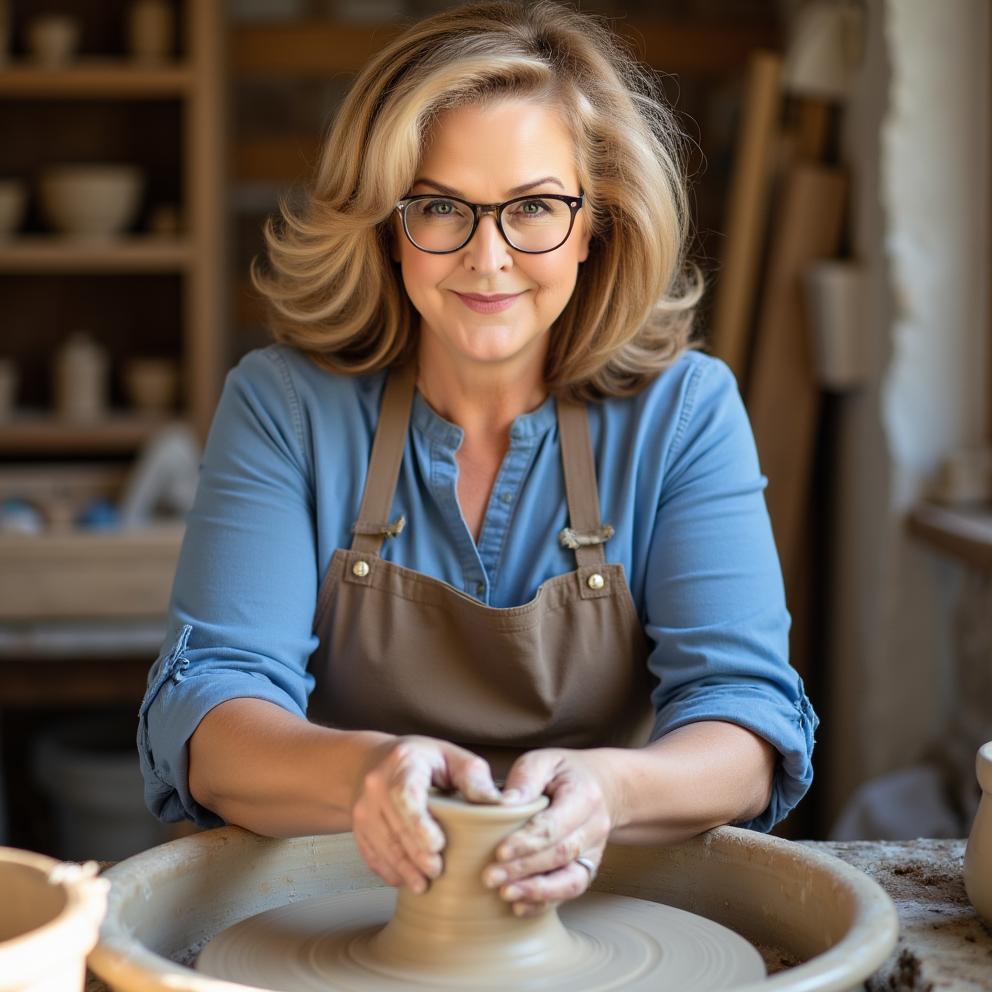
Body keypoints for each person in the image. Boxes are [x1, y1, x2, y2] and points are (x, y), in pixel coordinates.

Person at [138, 0, 818, 919]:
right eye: (441, 208)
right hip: (340, 906)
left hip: (590, 903)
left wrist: (609, 793)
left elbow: (745, 721)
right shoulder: (286, 405)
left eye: (534, 207)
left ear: (595, 224)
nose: (488, 257)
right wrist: (370, 774)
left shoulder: (683, 412)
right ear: (387, 223)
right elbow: (208, 712)